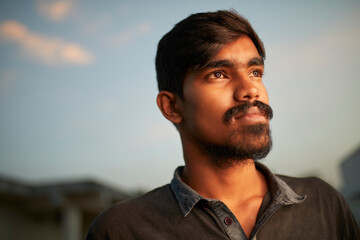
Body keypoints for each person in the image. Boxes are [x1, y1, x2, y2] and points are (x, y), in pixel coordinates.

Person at [86, 10, 359, 239]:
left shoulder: (323, 203)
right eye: (219, 74)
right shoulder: (121, 230)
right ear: (172, 106)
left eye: (255, 72)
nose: (250, 90)